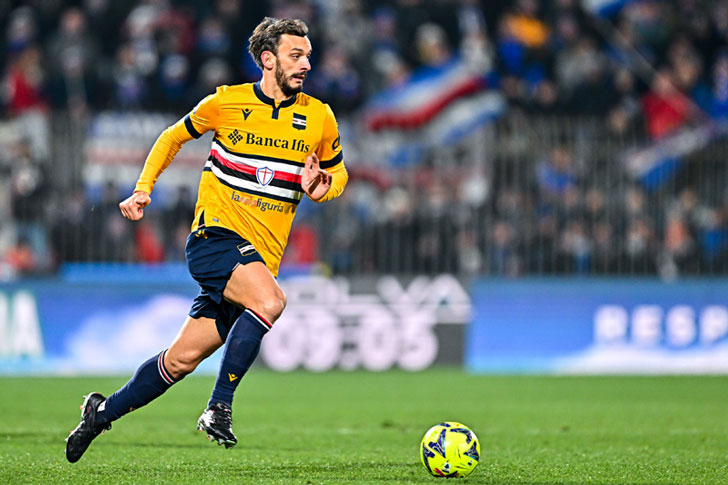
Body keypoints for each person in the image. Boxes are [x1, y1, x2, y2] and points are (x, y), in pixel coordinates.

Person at [65, 17, 348, 463]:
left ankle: (100, 413)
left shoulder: (319, 116)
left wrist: (323, 185)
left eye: (309, 55)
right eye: (297, 55)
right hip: (214, 239)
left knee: (179, 362)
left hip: (256, 261)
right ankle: (219, 407)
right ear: (267, 59)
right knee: (271, 303)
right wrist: (144, 188)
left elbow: (339, 174)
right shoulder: (226, 102)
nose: (307, 64)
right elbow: (171, 137)